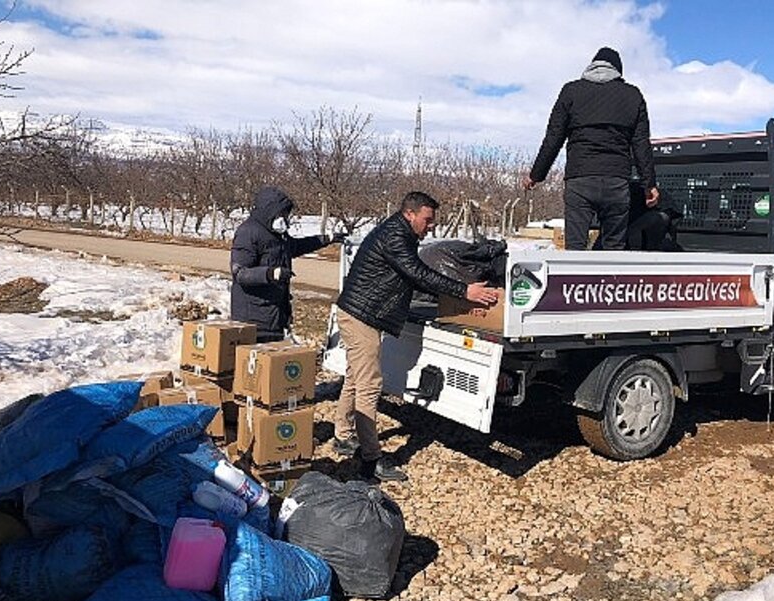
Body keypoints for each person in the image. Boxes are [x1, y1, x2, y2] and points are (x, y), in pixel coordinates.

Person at [334, 191, 498, 481]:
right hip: (361, 317)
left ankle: (343, 435)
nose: (431, 226)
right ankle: (371, 459)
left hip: (358, 312)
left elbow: (412, 274)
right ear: (410, 214)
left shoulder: (400, 232)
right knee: (370, 384)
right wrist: (464, 291)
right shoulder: (395, 236)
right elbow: (417, 272)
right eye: (428, 220)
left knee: (356, 377)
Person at [523, 46, 660, 251]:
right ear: (618, 70)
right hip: (616, 181)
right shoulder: (632, 95)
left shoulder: (571, 91)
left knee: (575, 248)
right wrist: (649, 185)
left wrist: (536, 175)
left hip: (580, 181)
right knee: (614, 248)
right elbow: (641, 144)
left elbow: (553, 138)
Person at [230, 186, 343, 342]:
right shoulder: (248, 232)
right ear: (269, 211)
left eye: (285, 214)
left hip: (275, 314)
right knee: (255, 356)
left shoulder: (278, 235)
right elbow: (240, 273)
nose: (284, 218)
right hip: (252, 318)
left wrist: (325, 239)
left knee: (274, 354)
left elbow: (294, 247)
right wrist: (270, 274)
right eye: (281, 214)